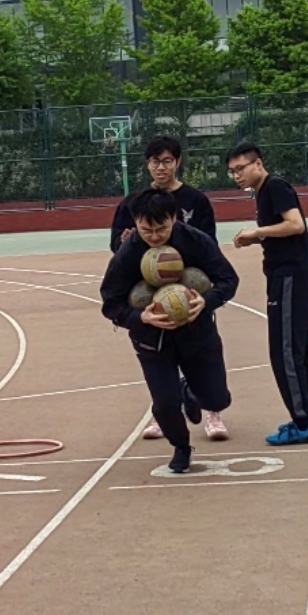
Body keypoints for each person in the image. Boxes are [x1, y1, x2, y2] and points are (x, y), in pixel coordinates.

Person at [100, 189, 239, 474]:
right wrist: (141, 317)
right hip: (152, 342)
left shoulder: (196, 241)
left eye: (161, 228)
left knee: (217, 399)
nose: (154, 236)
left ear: (174, 218)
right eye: (146, 230)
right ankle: (181, 447)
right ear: (135, 223)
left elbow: (228, 280)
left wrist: (207, 301)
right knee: (164, 404)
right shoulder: (127, 255)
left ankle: (189, 391)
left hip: (197, 334)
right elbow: (110, 304)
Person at [110, 135, 226, 441]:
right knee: (159, 362)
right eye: (155, 161)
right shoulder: (134, 203)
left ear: (177, 162)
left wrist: (196, 283)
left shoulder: (195, 201)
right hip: (148, 290)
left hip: (188, 286)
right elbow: (116, 246)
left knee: (203, 361)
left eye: (167, 161)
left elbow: (209, 244)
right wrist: (127, 243)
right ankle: (164, 412)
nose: (161, 167)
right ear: (147, 164)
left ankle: (212, 410)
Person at [227, 142, 308, 445]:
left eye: (241, 168)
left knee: (284, 350)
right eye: (232, 171)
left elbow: (295, 225)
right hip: (290, 273)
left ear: (258, 164)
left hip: (289, 275)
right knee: (301, 344)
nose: (237, 175)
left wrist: (257, 232)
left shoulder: (275, 187)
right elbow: (282, 231)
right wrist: (256, 239)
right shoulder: (263, 192)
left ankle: (301, 421)